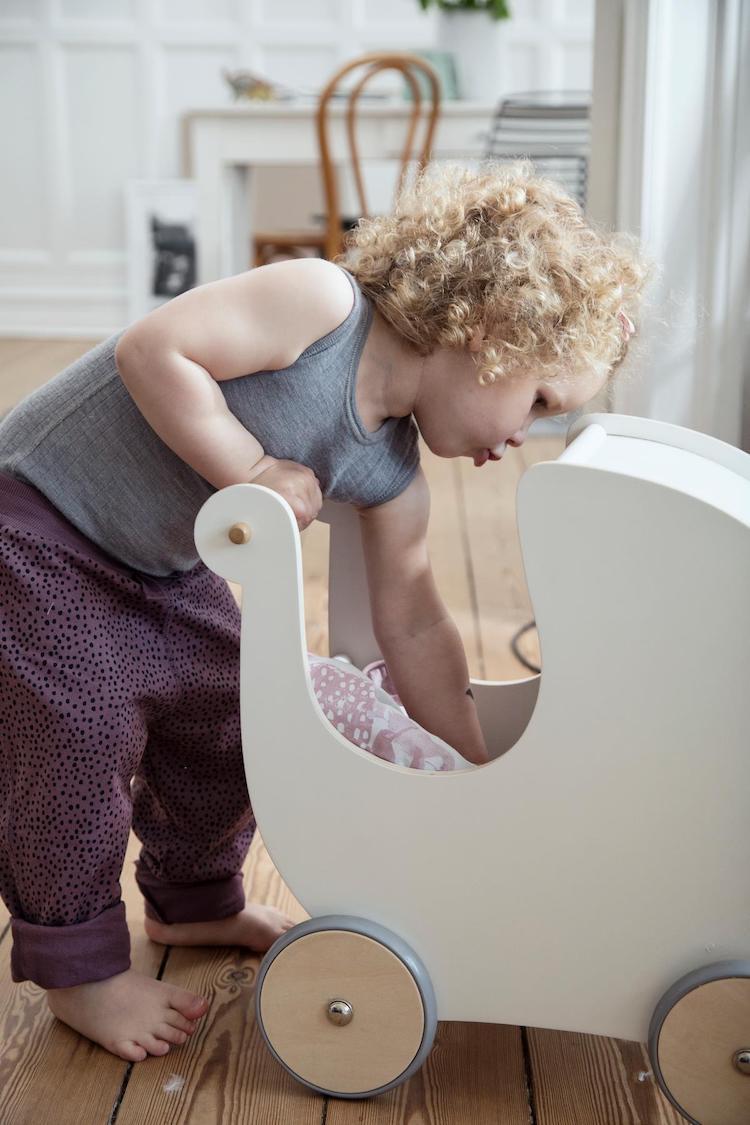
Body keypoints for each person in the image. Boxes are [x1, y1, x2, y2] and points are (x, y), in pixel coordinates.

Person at [0, 161, 648, 1062]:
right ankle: (77, 965)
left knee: (237, 714)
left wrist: (473, 753)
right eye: (539, 399)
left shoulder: (391, 474)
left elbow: (415, 625)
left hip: (157, 563)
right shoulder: (321, 306)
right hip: (36, 527)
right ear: (488, 329)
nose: (522, 434)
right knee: (79, 727)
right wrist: (250, 468)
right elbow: (153, 350)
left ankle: (196, 897)